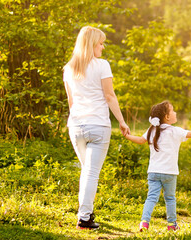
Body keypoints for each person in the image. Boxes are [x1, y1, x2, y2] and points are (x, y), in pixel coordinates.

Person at [63, 26, 130, 230]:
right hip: (98, 125)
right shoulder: (102, 65)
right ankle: (84, 218)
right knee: (91, 173)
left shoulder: (69, 68)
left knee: (87, 171)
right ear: (92, 44)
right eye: (100, 43)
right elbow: (109, 96)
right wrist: (122, 120)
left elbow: (70, 101)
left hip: (76, 126)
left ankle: (87, 212)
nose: (103, 46)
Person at [124, 101, 191, 232]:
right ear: (167, 117)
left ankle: (144, 222)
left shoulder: (152, 130)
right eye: (172, 111)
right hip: (170, 173)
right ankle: (172, 224)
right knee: (170, 199)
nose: (175, 113)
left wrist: (127, 136)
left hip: (154, 172)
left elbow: (140, 140)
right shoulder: (175, 131)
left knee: (151, 197)